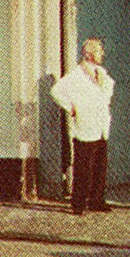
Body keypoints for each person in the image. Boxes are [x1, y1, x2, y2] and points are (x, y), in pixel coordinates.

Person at [49, 38, 115, 215]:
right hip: (84, 126)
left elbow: (107, 89)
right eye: (100, 51)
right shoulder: (76, 75)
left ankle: (96, 199)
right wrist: (71, 107)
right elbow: (55, 91)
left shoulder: (101, 72)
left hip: (100, 125)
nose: (103, 54)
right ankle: (78, 202)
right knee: (83, 166)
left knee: (100, 165)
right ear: (89, 53)